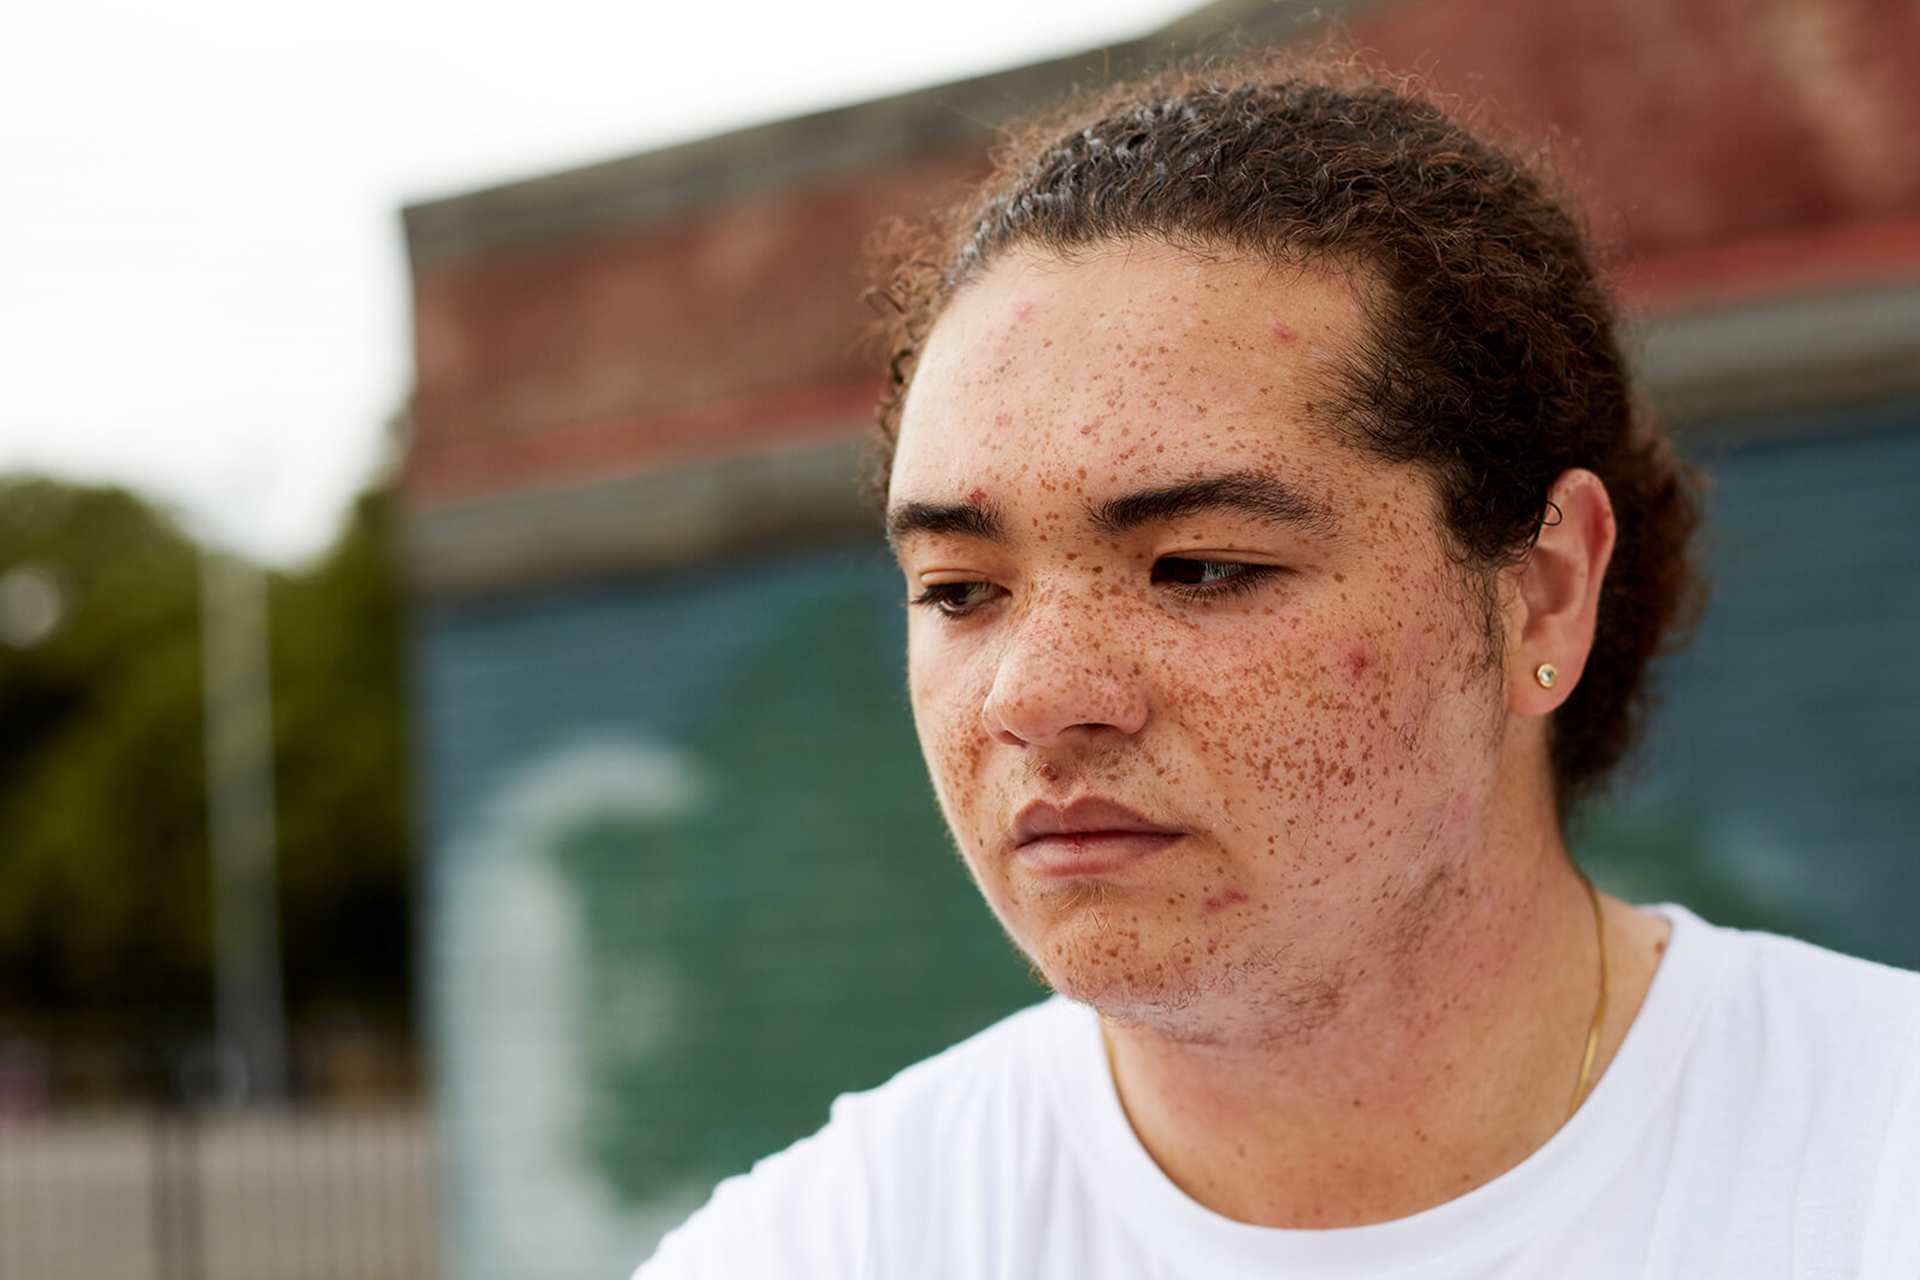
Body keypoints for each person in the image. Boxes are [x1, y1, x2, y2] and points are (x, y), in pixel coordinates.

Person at [634, 54, 1920, 1278]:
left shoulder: (1870, 1164)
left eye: (1199, 566)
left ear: (1543, 589)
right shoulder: (835, 1242)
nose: (1034, 694)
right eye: (960, 589)